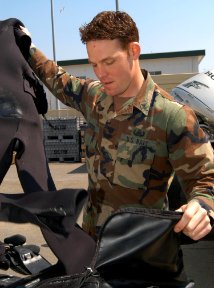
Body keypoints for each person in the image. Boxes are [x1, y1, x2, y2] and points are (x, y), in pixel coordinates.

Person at [20, 10, 214, 240]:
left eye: (109, 62)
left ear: (133, 51)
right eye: (94, 65)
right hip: (93, 244)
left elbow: (205, 178)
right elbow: (57, 78)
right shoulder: (94, 98)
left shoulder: (171, 116)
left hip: (142, 255)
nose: (101, 74)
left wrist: (202, 207)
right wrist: (27, 45)